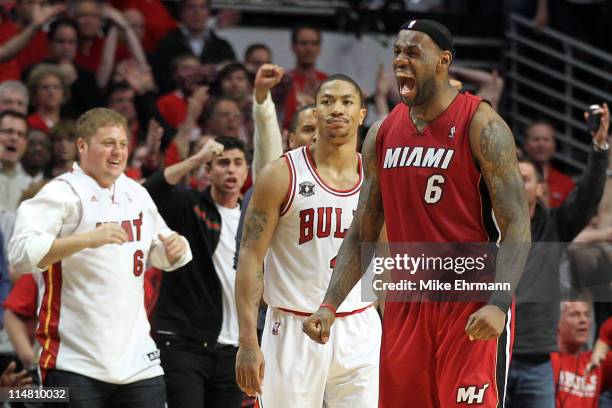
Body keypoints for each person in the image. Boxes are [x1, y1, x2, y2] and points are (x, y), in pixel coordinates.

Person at [302, 20, 531, 407]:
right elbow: (364, 227)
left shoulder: (482, 124)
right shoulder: (383, 132)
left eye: (413, 53)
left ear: (443, 62)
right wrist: (329, 304)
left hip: (469, 299)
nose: (401, 62)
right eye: (396, 53)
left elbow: (517, 225)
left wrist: (498, 302)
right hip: (406, 301)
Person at [8, 107, 192, 407]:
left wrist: (178, 248)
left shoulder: (137, 193)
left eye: (122, 144)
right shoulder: (60, 193)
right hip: (74, 361)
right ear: (82, 146)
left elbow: (162, 251)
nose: (117, 151)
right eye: (108, 142)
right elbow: (20, 255)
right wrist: (85, 240)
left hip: (138, 360)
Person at [235, 74, 380, 407]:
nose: (336, 109)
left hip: (359, 326)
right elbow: (250, 258)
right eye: (327, 101)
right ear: (314, 113)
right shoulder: (281, 174)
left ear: (361, 114)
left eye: (347, 102)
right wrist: (246, 342)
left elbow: (382, 257)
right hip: (292, 325)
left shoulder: (377, 178)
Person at [507, 104, 609, 408]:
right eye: (511, 177)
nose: (515, 183)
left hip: (538, 363)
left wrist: (599, 146)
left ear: (540, 189)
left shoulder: (555, 226)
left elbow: (588, 196)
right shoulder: (489, 228)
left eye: (523, 179)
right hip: (495, 358)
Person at [143, 136, 248, 408]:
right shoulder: (190, 206)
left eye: (238, 163)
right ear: (209, 171)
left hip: (233, 351)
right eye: (222, 163)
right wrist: (196, 158)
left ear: (248, 170)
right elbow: (151, 191)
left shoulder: (254, 219)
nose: (231, 170)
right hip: (184, 346)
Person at [551, 302, 608, 407]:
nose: (583, 320)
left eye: (586, 315)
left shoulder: (595, 361)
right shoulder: (547, 360)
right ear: (557, 322)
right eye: (575, 314)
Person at [523, 119, 575, 208]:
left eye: (546, 139)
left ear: (554, 146)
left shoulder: (566, 183)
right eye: (536, 139)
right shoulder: (515, 180)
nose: (541, 144)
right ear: (526, 145)